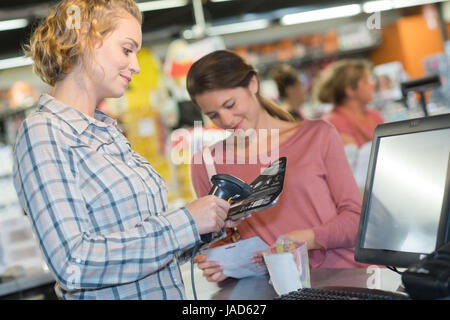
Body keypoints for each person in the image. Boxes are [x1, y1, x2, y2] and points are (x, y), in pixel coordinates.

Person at [12, 0, 237, 300]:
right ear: (84, 38)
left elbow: (144, 252)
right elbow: (74, 263)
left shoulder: (108, 132)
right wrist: (186, 222)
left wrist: (208, 224)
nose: (136, 65)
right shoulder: (44, 133)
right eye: (127, 49)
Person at [186, 50, 366, 283]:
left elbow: (356, 218)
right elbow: (218, 241)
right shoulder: (206, 165)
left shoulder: (317, 136)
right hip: (274, 288)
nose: (227, 120)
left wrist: (306, 239)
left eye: (230, 104)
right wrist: (218, 266)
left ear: (253, 83)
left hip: (343, 279)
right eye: (214, 115)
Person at [315, 59, 384, 148]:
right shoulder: (333, 123)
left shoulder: (374, 114)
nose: (372, 84)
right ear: (350, 90)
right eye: (366, 81)